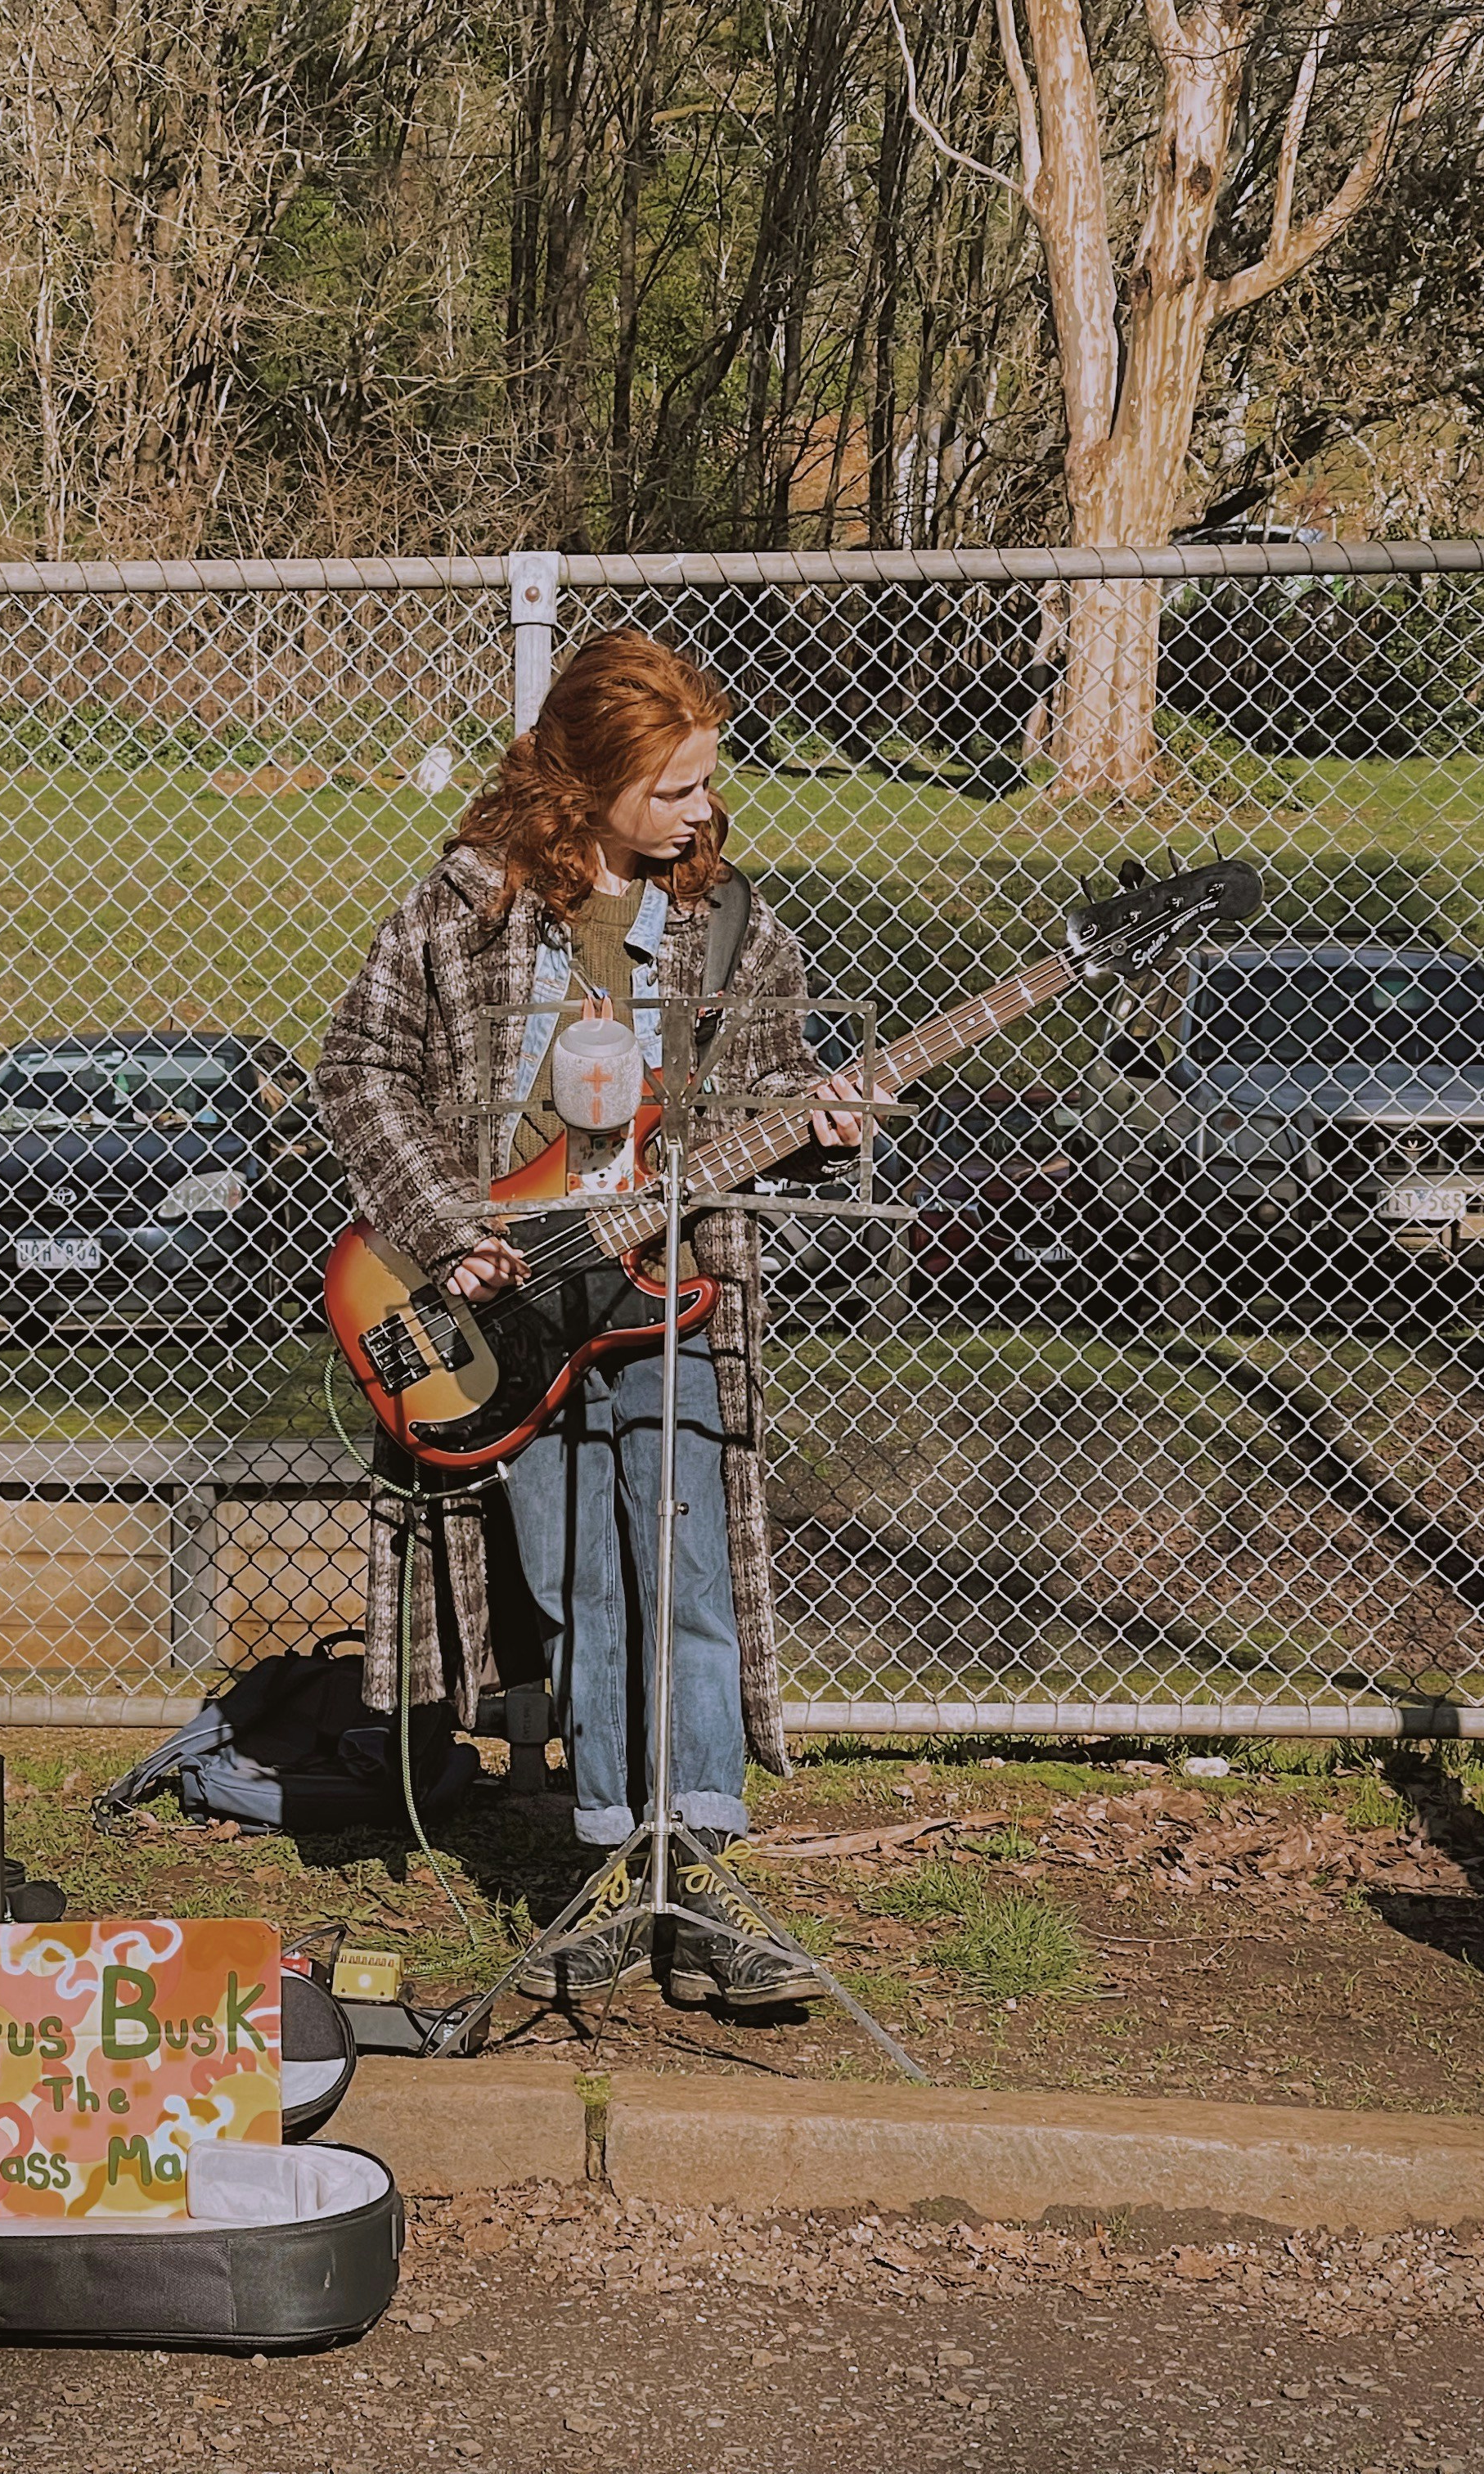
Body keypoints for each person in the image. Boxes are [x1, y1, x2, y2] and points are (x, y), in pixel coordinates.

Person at [316, 627, 861, 2006]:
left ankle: (703, 1874)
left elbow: (775, 1101)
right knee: (571, 1590)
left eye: (706, 784)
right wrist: (451, 1233)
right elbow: (361, 1066)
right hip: (521, 1316)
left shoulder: (735, 923)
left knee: (682, 1581)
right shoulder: (473, 905)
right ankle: (609, 1862)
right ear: (589, 779)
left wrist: (825, 1128)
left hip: (677, 1297)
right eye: (673, 787)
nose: (702, 810)